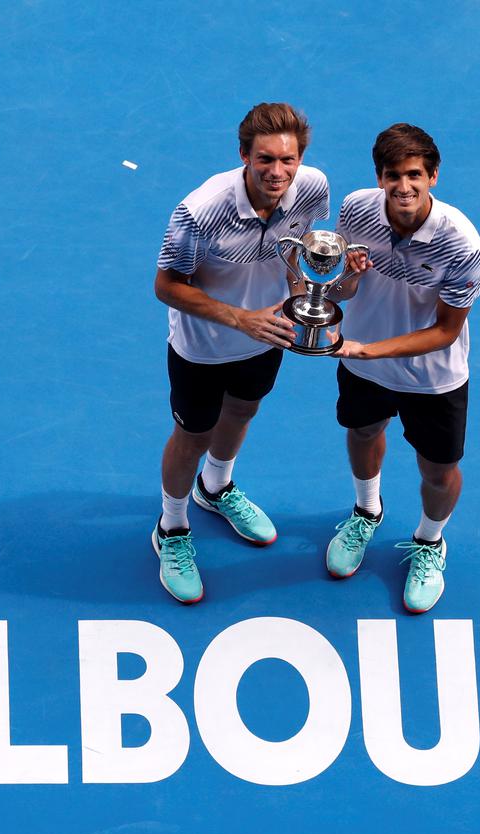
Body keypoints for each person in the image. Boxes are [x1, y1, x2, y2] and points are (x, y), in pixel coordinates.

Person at [152, 103, 330, 604]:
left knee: (243, 411)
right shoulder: (199, 211)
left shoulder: (313, 187)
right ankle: (172, 526)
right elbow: (167, 286)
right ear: (243, 156)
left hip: (268, 333)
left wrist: (299, 298)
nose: (278, 173)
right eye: (265, 160)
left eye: (288, 160)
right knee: (193, 435)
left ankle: (216, 487)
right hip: (203, 346)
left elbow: (297, 252)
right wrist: (239, 317)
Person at [326, 123, 480, 613]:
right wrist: (348, 280)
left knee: (439, 471)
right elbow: (341, 289)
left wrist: (370, 350)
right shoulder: (356, 209)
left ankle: (429, 542)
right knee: (362, 431)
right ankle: (366, 511)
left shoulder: (463, 244)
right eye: (393, 175)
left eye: (415, 174)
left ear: (433, 176)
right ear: (379, 177)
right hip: (363, 360)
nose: (404, 186)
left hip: (431, 377)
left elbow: (444, 330)